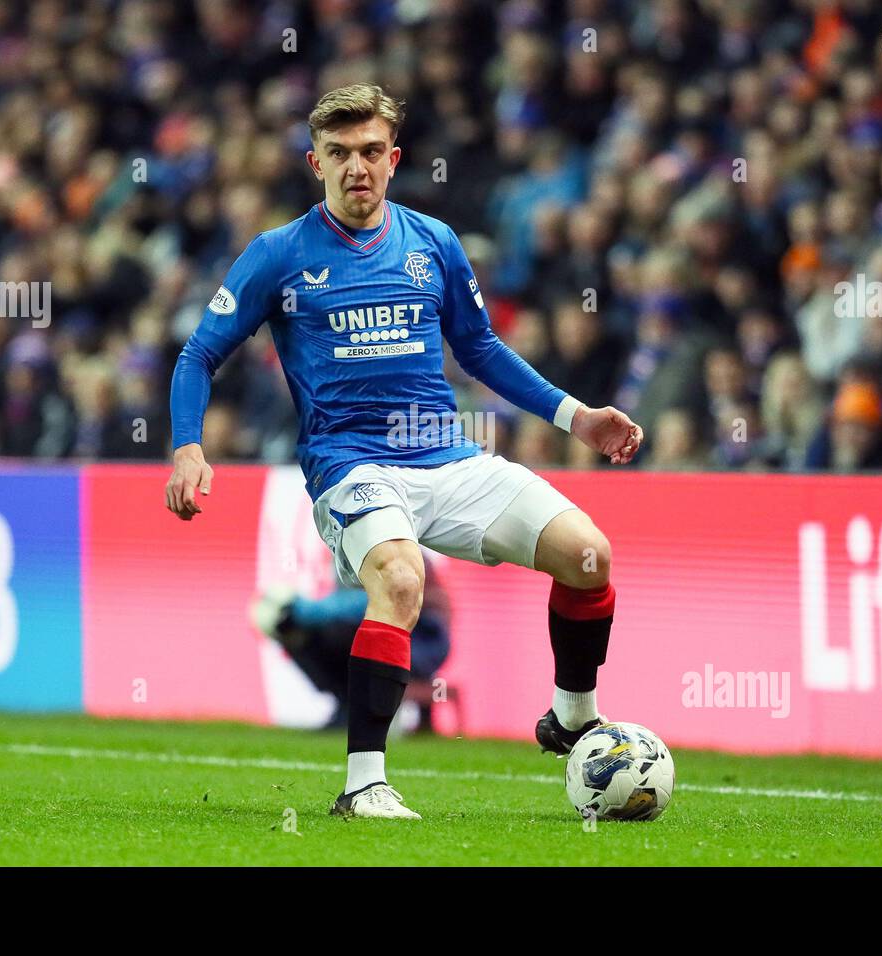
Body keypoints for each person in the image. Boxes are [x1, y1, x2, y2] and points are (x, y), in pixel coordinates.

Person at [165, 85, 643, 820]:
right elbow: (200, 352)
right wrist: (189, 446)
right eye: (338, 154)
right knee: (399, 576)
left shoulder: (433, 243)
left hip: (445, 457)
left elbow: (479, 348)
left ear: (394, 159)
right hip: (349, 463)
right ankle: (363, 784)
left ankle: (573, 717)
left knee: (589, 555)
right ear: (314, 163)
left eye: (369, 152)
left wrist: (574, 416)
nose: (356, 167)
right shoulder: (278, 255)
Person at [250, 552, 451, 732]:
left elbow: (373, 602)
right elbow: (346, 605)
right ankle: (346, 704)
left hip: (422, 641)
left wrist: (304, 610)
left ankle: (360, 711)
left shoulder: (397, 550)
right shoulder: (346, 551)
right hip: (384, 636)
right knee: (303, 636)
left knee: (346, 632)